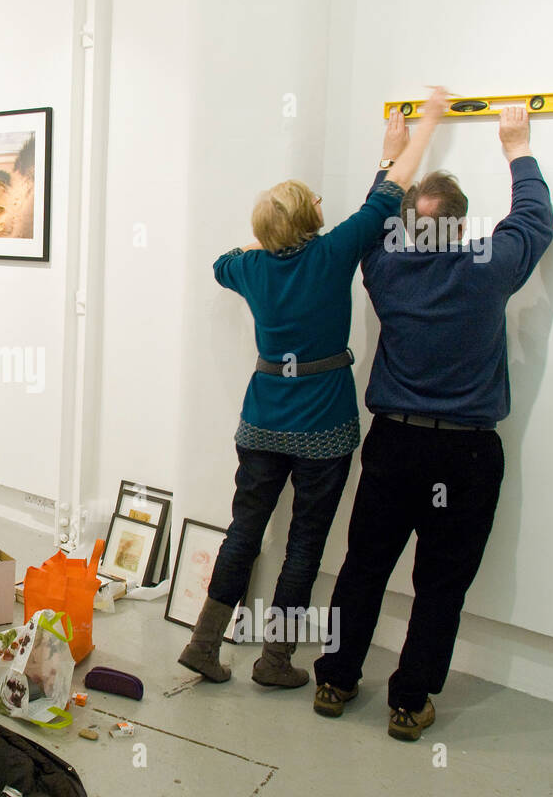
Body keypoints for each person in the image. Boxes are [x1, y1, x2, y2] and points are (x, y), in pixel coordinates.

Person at [178, 88, 450, 689]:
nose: (324, 202)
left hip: (260, 420)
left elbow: (225, 261)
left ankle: (204, 642)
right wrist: (421, 129)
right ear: (308, 219)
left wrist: (264, 243)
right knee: (305, 541)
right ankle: (275, 660)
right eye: (314, 200)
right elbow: (389, 196)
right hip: (322, 427)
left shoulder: (248, 268)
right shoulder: (333, 254)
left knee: (243, 532)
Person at [312, 106, 553, 740]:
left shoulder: (386, 268)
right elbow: (533, 220)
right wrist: (517, 146)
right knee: (440, 583)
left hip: (394, 444)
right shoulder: (490, 265)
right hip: (467, 456)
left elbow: (374, 221)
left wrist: (390, 156)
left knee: (364, 564)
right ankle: (409, 700)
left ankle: (336, 679)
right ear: (463, 223)